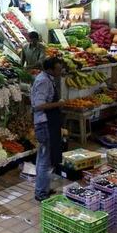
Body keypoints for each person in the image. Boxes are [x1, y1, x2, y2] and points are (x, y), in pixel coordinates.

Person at [31, 57, 65, 201]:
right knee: (44, 160)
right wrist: (58, 104)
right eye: (58, 68)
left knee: (43, 158)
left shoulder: (47, 78)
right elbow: (38, 105)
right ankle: (41, 193)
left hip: (48, 123)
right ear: (50, 69)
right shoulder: (44, 81)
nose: (60, 71)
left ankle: (43, 188)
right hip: (44, 124)